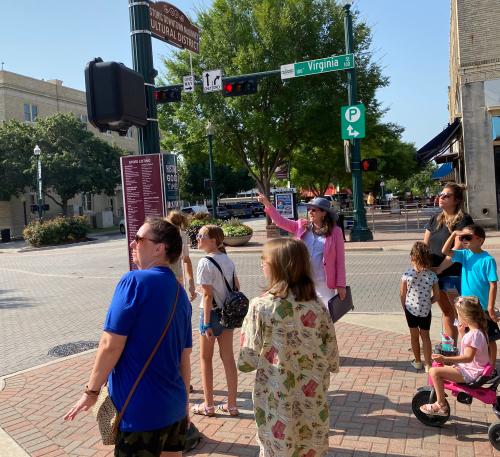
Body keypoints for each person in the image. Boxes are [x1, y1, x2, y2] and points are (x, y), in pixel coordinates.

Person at [64, 217, 192, 457]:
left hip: (140, 413)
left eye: (139, 238)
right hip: (174, 408)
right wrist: (183, 402)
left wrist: (91, 392)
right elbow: (185, 356)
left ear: (159, 248)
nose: (133, 244)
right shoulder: (180, 293)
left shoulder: (133, 281)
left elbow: (110, 345)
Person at [238, 238, 339, 457]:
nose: (261, 265)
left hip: (276, 390)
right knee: (311, 440)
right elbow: (331, 352)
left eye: (264, 260)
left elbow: (247, 359)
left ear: (276, 266)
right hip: (312, 390)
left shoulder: (261, 306)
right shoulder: (317, 305)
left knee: (278, 442)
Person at [258, 192, 346, 307]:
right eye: (309, 209)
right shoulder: (301, 226)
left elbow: (340, 261)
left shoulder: (335, 232)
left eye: (314, 210)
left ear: (324, 213)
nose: (310, 212)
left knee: (326, 315)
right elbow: (280, 221)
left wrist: (341, 285)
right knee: (305, 314)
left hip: (323, 282)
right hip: (303, 280)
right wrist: (267, 204)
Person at [193, 225, 240, 417]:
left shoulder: (205, 262)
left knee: (205, 359)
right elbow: (236, 286)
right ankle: (232, 405)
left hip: (210, 314)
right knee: (228, 359)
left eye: (201, 236)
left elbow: (207, 296)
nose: (198, 238)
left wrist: (205, 324)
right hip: (228, 314)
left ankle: (209, 405)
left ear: (213, 240)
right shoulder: (227, 260)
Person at [420, 296, 490, 416]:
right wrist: (462, 334)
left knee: (434, 372)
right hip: (473, 369)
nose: (457, 318)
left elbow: (468, 357)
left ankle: (441, 405)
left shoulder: (473, 335)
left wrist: (445, 358)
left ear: (465, 317)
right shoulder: (478, 331)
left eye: (458, 315)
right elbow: (471, 351)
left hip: (471, 373)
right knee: (442, 369)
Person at [442, 224, 500, 363]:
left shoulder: (488, 260)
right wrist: (454, 235)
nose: (463, 240)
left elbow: (493, 284)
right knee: (467, 336)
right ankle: (472, 363)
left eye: (467, 237)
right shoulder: (464, 255)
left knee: (489, 338)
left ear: (480, 240)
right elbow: (445, 251)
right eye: (462, 238)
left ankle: (490, 367)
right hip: (466, 306)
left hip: (482, 307)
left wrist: (491, 307)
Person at [423, 182, 473, 343]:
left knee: (462, 315)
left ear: (456, 200)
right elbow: (425, 245)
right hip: (435, 275)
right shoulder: (435, 219)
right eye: (441, 194)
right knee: (446, 312)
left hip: (453, 275)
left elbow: (457, 250)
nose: (441, 197)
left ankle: (467, 353)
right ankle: (450, 350)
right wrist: (424, 266)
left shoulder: (464, 220)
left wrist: (439, 269)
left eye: (446, 195)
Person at [400, 241, 440, 372]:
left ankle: (417, 361)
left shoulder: (407, 274)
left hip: (410, 309)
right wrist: (428, 302)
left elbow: (402, 294)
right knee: (425, 336)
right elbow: (437, 296)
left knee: (414, 335)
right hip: (425, 310)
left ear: (413, 257)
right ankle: (428, 364)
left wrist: (404, 306)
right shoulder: (432, 275)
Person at [166, 210, 196, 300]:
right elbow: (186, 260)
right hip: (177, 279)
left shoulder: (162, 235)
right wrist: (191, 284)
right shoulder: (182, 235)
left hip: (163, 278)